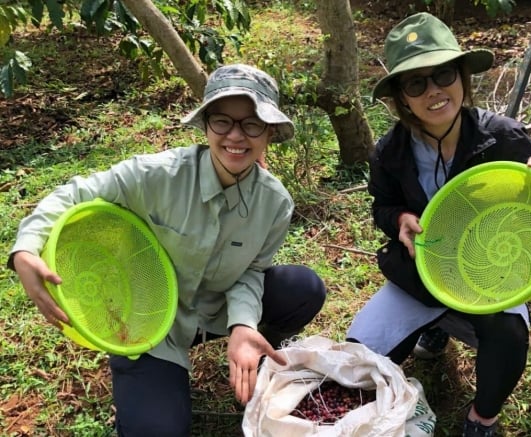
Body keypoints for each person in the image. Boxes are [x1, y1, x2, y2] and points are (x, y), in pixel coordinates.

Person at [8, 64, 327, 436]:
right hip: (146, 321)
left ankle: (248, 352)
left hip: (212, 309)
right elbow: (76, 193)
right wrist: (25, 250)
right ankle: (153, 375)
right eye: (222, 121)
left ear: (269, 133)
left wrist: (242, 325)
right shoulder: (156, 176)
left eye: (252, 124)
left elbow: (252, 272)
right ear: (205, 124)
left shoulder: (275, 203)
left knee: (303, 288)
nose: (235, 136)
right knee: (158, 430)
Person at [346, 12, 531, 437]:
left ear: (462, 76)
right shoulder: (390, 152)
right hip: (423, 273)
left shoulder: (504, 139)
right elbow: (383, 207)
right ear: (403, 99)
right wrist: (401, 219)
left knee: (509, 333)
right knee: (356, 356)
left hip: (487, 274)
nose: (434, 92)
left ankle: (482, 420)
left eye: (443, 74)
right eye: (416, 83)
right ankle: (436, 324)